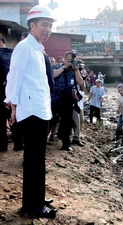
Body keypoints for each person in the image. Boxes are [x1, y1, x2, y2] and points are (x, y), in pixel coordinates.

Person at [4, 5, 57, 217]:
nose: (48, 29)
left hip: (41, 110)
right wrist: (13, 109)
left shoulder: (37, 48)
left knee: (39, 158)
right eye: (44, 25)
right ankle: (31, 207)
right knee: (33, 160)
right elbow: (14, 79)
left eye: (50, 25)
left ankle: (37, 197)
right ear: (32, 25)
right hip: (31, 112)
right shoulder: (24, 47)